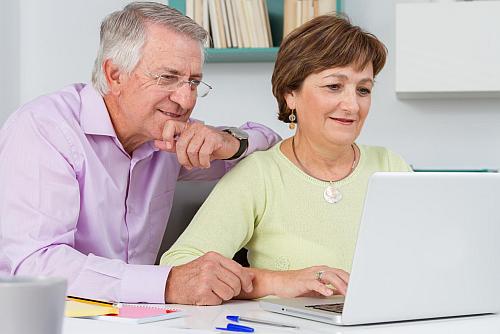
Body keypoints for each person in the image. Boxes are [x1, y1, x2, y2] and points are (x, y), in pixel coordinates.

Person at [0, 2, 280, 305]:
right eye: (167, 77)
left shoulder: (169, 138)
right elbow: (36, 263)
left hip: (139, 319)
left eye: (194, 82)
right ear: (115, 74)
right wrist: (169, 282)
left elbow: (272, 149)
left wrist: (230, 142)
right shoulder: (45, 129)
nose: (185, 100)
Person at [161, 14, 413, 301]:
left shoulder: (391, 167)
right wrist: (277, 282)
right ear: (290, 94)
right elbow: (179, 266)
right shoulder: (259, 174)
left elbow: (430, 257)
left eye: (363, 90)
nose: (352, 105)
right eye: (334, 86)